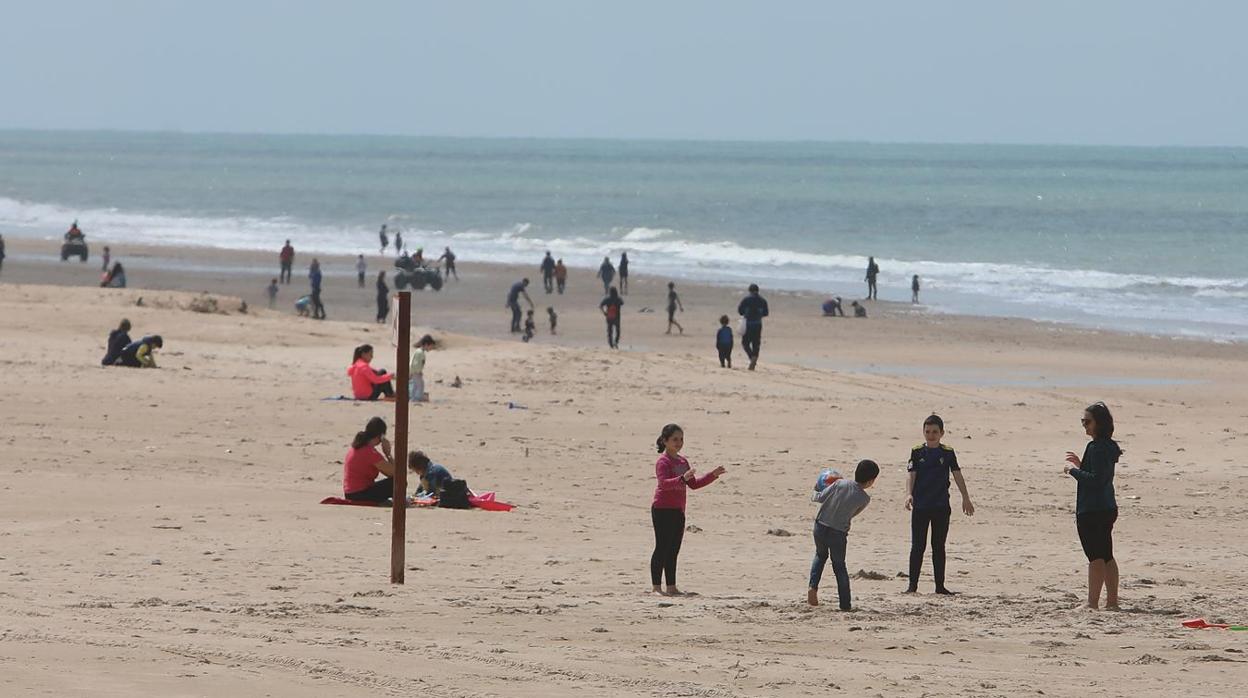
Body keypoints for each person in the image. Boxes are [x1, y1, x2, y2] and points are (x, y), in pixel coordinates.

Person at [650, 424, 726, 596]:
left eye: (681, 439)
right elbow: (663, 483)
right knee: (662, 547)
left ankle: (671, 586)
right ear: (665, 441)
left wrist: (712, 475)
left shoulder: (683, 461)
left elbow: (694, 484)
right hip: (662, 509)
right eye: (675, 439)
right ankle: (656, 587)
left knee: (673, 549)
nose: (679, 443)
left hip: (678, 510)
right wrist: (681, 478)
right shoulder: (663, 462)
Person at [905, 414, 975, 595]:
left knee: (939, 546)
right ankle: (912, 586)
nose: (931, 435)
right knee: (917, 546)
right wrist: (909, 494)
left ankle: (940, 586)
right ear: (923, 432)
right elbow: (911, 474)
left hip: (941, 506)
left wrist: (965, 497)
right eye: (928, 431)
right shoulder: (917, 451)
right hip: (920, 505)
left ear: (942, 433)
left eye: (935, 432)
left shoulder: (947, 452)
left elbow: (957, 474)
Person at [1064, 401, 1122, 610]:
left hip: (1092, 510)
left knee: (1095, 557)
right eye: (1083, 422)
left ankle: (1092, 602)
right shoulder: (1108, 446)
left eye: (1087, 422)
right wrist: (1082, 465)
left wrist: (1073, 471)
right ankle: (1113, 602)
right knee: (1106, 555)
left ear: (1099, 423)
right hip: (1107, 507)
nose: (1085, 426)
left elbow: (1096, 480)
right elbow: (1101, 474)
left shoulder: (1096, 447)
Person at [808, 459, 878, 609]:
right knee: (839, 566)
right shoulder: (865, 499)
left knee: (820, 556)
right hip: (838, 533)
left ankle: (812, 587)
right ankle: (845, 604)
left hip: (820, 526)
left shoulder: (840, 483)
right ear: (872, 481)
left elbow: (819, 497)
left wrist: (815, 489)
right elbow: (852, 514)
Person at [343, 417, 396, 503]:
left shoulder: (357, 446)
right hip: (359, 494)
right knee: (399, 483)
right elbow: (395, 474)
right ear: (381, 436)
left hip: (350, 493)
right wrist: (388, 454)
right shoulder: (370, 452)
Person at [737, 283, 769, 371]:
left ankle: (751, 357)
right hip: (758, 324)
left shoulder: (746, 299)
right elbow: (766, 313)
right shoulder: (763, 300)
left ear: (749, 290)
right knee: (756, 343)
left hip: (748, 324)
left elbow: (740, 311)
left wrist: (746, 313)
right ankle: (754, 357)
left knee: (745, 343)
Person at [409, 334, 435, 402]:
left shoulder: (420, 352)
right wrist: (418, 371)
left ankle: (413, 397)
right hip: (416, 372)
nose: (431, 348)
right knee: (420, 385)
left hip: (415, 371)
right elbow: (415, 363)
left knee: (416, 385)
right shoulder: (419, 352)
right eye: (430, 346)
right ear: (426, 344)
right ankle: (417, 398)